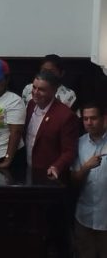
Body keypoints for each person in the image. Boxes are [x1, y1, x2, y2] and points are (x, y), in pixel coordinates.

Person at [25, 71, 79, 179]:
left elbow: (69, 151)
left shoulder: (65, 116)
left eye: (41, 89)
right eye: (34, 87)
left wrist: (56, 167)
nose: (35, 92)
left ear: (54, 91)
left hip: (49, 175)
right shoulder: (31, 105)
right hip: (28, 170)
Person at [72, 103, 107, 258]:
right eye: (85, 119)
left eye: (93, 118)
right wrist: (86, 167)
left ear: (104, 119)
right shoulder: (79, 143)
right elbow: (73, 180)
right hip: (84, 215)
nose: (89, 122)